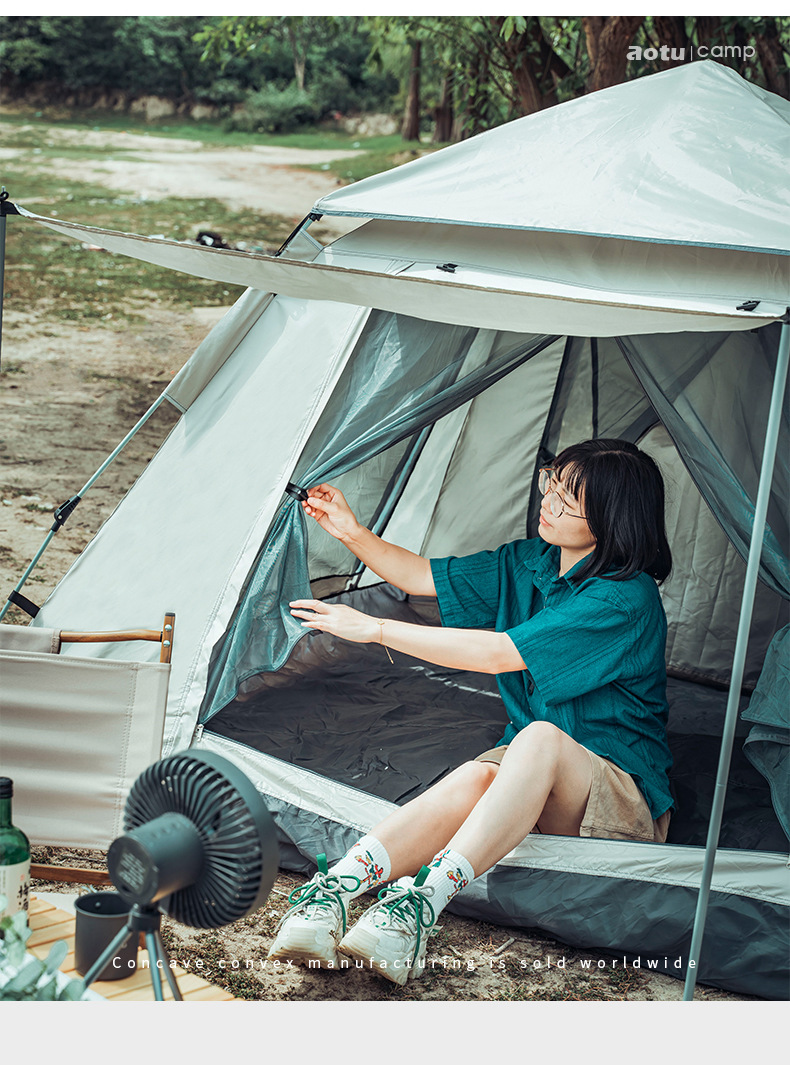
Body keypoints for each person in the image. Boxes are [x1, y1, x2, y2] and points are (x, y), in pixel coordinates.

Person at [267, 438, 674, 985]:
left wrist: (376, 628)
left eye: (568, 500)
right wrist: (349, 531)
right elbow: (421, 577)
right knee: (482, 773)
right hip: (530, 772)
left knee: (538, 738)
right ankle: (333, 892)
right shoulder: (532, 561)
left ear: (610, 520)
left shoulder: (624, 598)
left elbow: (500, 653)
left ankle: (421, 905)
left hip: (619, 799)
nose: (548, 502)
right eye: (551, 483)